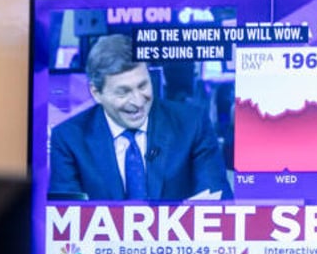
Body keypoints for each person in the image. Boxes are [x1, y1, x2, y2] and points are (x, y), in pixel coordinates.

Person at [48, 34, 232, 202]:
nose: (138, 101)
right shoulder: (68, 138)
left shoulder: (192, 124)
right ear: (96, 93)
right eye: (123, 92)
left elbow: (219, 204)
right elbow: (65, 221)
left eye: (143, 86)